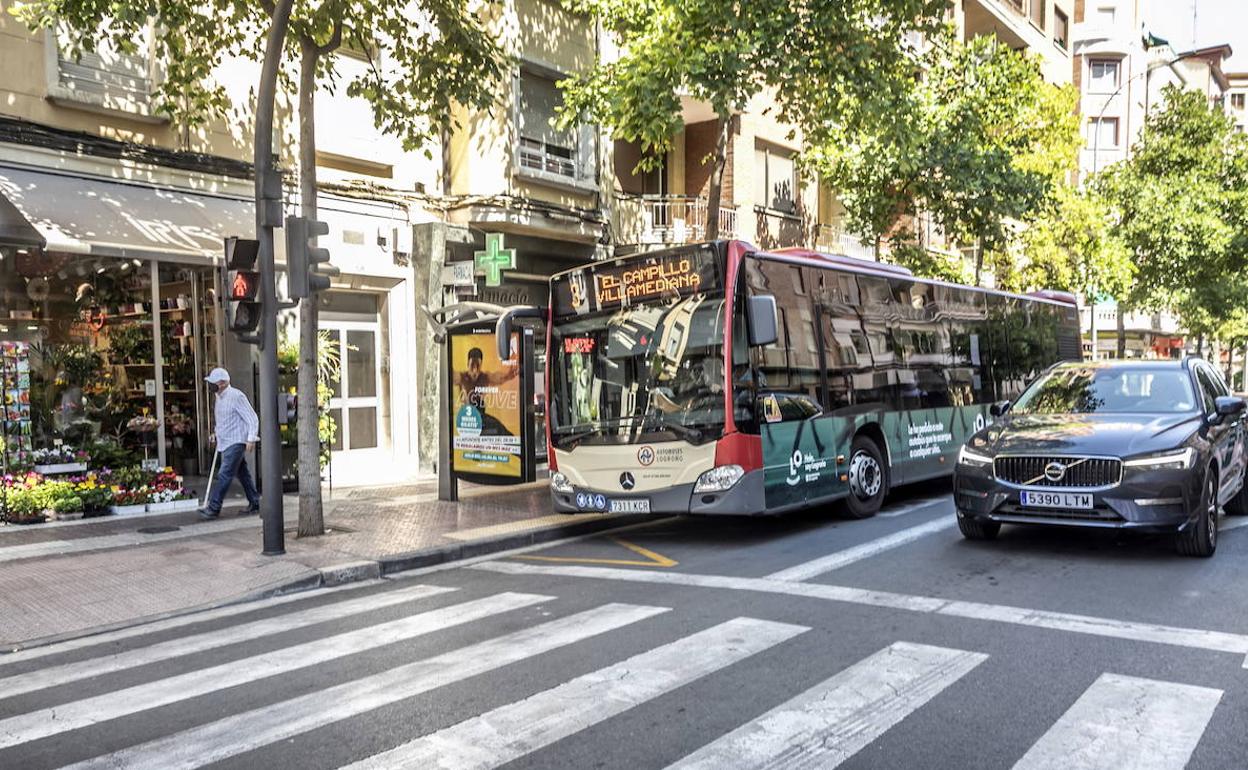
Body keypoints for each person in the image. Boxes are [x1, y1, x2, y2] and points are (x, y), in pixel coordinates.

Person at [199, 367, 261, 519]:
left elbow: (252, 417)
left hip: (236, 441)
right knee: (243, 474)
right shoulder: (219, 397)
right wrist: (215, 434)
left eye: (212, 382)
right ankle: (255, 502)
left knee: (224, 474)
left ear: (221, 383)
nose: (210, 386)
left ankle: (214, 508)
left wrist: (251, 439)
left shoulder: (236, 396)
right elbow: (222, 420)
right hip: (225, 442)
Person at [456, 346, 518, 436]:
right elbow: (452, 375)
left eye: (477, 366)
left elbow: (497, 377)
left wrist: (507, 376)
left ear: (481, 365)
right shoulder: (462, 377)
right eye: (472, 366)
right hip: (468, 420)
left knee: (502, 431)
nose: (475, 370)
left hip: (481, 419)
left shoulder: (484, 377)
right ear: (467, 364)